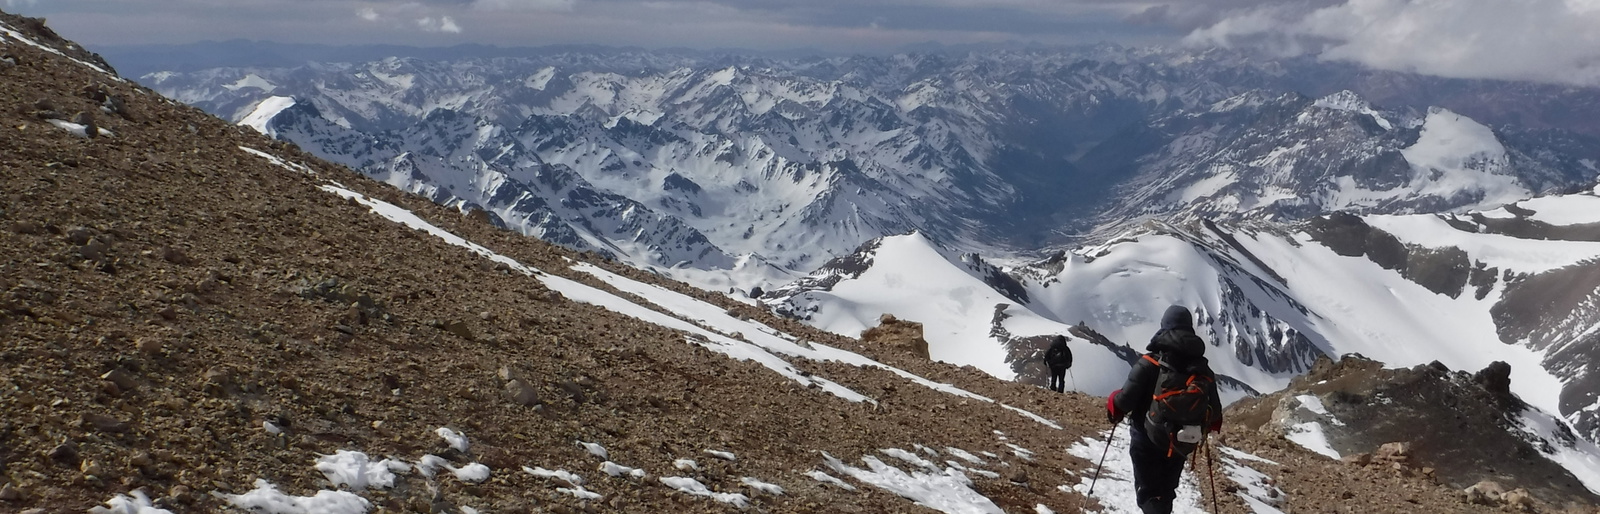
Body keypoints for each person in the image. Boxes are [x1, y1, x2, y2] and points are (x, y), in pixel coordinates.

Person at [1105, 305, 1223, 514]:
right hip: (1181, 441)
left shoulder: (1149, 362)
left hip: (1147, 438)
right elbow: (1215, 415)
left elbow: (1124, 402)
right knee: (1166, 492)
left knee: (1149, 493)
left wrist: (1113, 402)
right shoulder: (1203, 369)